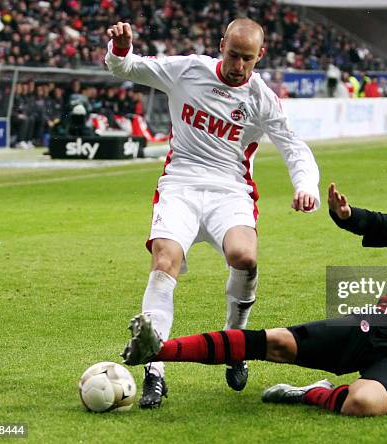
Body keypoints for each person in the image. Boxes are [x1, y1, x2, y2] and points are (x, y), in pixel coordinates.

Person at [121, 173, 387, 418]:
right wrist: (348, 216)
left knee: (363, 402)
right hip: (377, 323)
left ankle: (310, 392)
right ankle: (158, 350)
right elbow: (386, 225)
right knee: (275, 341)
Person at [105, 19, 320, 409]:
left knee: (246, 258)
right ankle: (155, 369)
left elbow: (293, 146)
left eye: (247, 59)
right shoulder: (187, 69)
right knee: (164, 261)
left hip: (230, 190)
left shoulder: (262, 98)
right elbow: (127, 67)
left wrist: (306, 185)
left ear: (260, 57)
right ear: (221, 45)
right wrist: (120, 49)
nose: (238, 65)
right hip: (181, 184)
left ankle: (234, 342)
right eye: (232, 54)